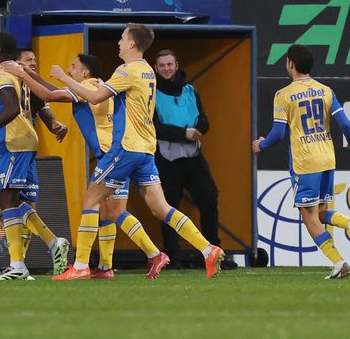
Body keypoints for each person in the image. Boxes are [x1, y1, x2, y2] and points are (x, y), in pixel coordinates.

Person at [47, 23, 225, 280]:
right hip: (146, 149)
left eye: (122, 38)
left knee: (91, 200)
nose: (118, 43)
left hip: (125, 148)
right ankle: (208, 249)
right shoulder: (148, 71)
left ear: (132, 43)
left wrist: (64, 78)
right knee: (161, 208)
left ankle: (82, 265)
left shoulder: (127, 70)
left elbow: (95, 97)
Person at [2, 53, 131, 280]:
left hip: (110, 156)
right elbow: (55, 90)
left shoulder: (87, 88)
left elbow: (49, 95)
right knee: (111, 212)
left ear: (85, 73)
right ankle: (105, 266)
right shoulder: (96, 86)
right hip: (119, 152)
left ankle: (87, 265)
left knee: (102, 207)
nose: (69, 69)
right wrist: (32, 74)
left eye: (73, 66)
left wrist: (23, 74)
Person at [252, 44, 350, 279]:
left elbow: (278, 133)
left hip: (306, 162)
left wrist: (261, 145)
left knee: (309, 218)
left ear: (291, 64)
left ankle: (338, 262)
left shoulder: (283, 95)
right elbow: (345, 123)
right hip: (327, 159)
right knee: (321, 212)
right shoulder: (325, 91)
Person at [0, 31, 70, 281]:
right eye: (28, 60)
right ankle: (48, 246)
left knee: (6, 200)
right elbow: (31, 103)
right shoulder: (18, 77)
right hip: (25, 142)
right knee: (12, 201)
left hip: (12, 143)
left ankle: (15, 264)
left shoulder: (3, 74)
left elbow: (13, 108)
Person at [153, 49, 237, 270]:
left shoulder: (191, 90)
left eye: (169, 64)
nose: (166, 69)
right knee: (168, 208)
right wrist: (184, 133)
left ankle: (213, 253)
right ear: (155, 68)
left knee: (209, 198)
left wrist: (199, 129)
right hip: (167, 159)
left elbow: (204, 120)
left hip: (193, 156)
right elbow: (154, 128)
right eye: (162, 65)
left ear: (176, 64)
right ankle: (173, 256)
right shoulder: (152, 93)